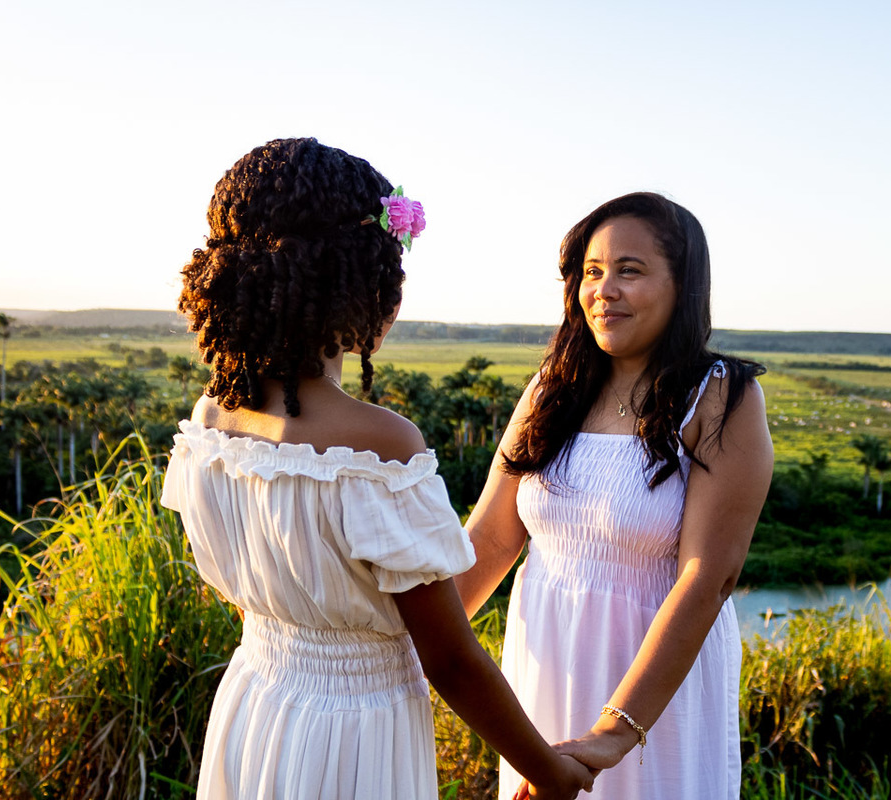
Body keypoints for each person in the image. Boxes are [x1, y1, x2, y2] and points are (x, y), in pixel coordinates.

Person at [160, 138, 593, 800]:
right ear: (364, 286)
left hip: (256, 698)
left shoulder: (213, 420)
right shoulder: (380, 444)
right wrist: (551, 769)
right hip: (353, 730)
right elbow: (449, 658)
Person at [455, 192, 774, 800]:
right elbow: (491, 539)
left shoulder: (721, 396)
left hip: (654, 694)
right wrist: (404, 649)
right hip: (547, 660)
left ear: (683, 285)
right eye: (591, 272)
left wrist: (614, 731)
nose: (603, 290)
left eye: (629, 270)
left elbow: (708, 577)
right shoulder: (551, 388)